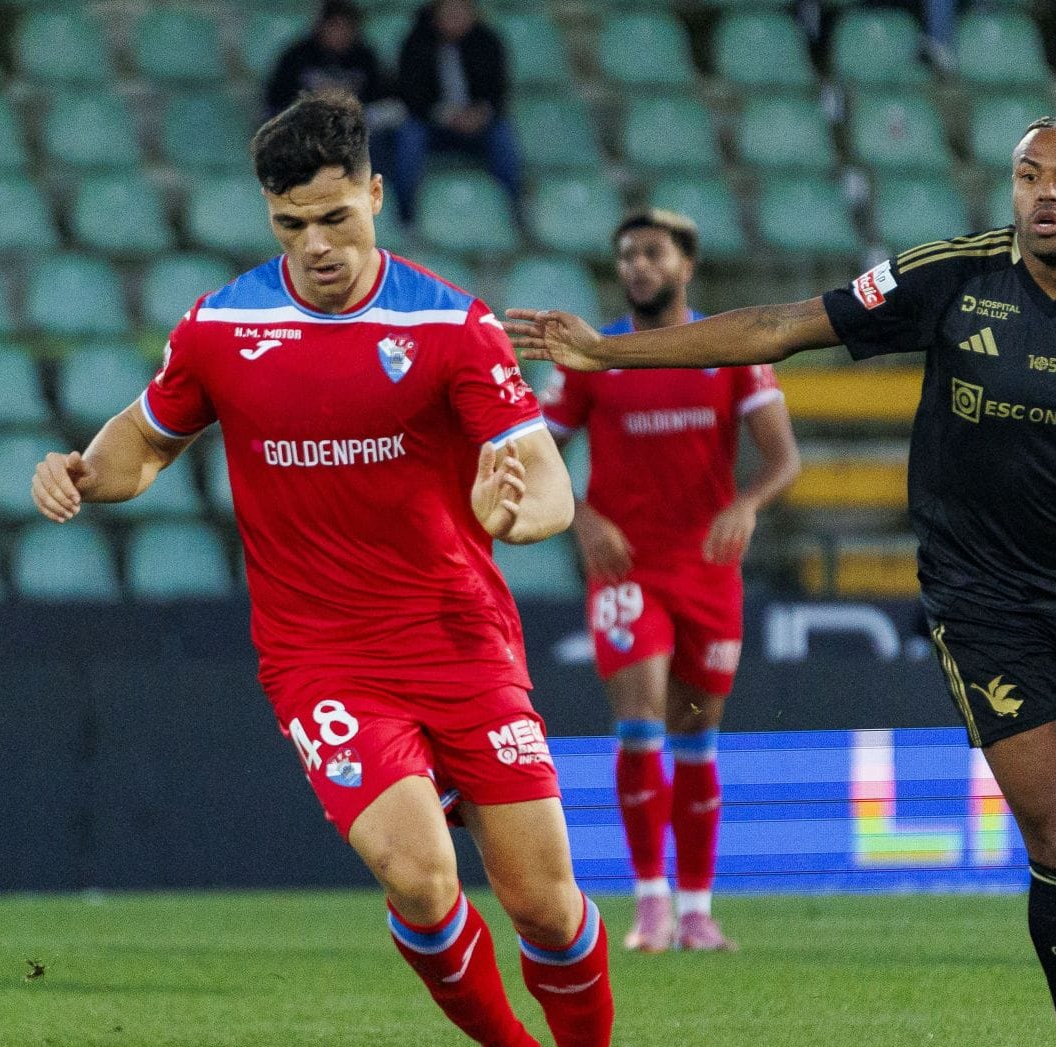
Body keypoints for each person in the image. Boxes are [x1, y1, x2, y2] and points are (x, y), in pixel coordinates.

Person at [508, 117, 1056, 1047]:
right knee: (1055, 835)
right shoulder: (950, 278)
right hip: (979, 605)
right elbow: (780, 328)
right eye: (1028, 174)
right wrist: (608, 353)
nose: (1045, 194)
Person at [32, 90, 631, 1047]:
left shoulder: (450, 326)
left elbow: (541, 476)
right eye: (290, 224)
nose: (315, 245)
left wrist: (518, 515)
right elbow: (145, 441)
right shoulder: (221, 328)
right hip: (321, 658)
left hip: (459, 639)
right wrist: (81, 471)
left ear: (376, 196)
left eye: (334, 218)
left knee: (544, 902)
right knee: (419, 876)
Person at [541, 209, 801, 955]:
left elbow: (784, 458)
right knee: (641, 718)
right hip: (627, 569)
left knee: (695, 736)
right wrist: (583, 517)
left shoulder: (729, 352)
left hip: (709, 571)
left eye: (652, 254)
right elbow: (536, 451)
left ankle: (696, 910)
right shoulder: (593, 355)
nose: (638, 267)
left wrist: (747, 505)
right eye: (627, 256)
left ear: (686, 266)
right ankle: (651, 902)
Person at [392, 0, 520, 228]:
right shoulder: (416, 43)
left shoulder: (488, 42)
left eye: (462, 12)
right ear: (436, 15)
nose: (456, 18)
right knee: (410, 136)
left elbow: (498, 92)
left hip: (478, 124)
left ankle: (513, 211)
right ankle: (406, 215)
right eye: (449, 12)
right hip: (433, 125)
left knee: (503, 136)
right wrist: (446, 116)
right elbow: (410, 95)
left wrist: (479, 114)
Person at [264, 0, 392, 120]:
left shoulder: (364, 58)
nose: (341, 33)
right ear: (321, 27)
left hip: (353, 125)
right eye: (335, 26)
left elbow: (378, 99)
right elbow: (277, 99)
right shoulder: (297, 56)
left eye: (347, 27)